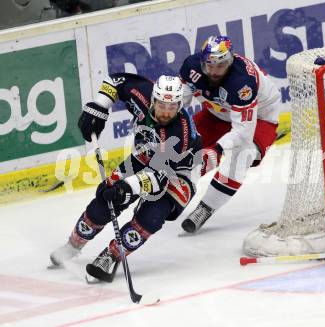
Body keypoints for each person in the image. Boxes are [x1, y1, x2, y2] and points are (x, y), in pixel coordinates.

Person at [50, 73, 202, 281]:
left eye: (172, 107)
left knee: (150, 217)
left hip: (179, 174)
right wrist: (100, 106)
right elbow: (115, 81)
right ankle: (73, 245)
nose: (166, 113)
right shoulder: (142, 94)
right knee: (103, 203)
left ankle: (111, 256)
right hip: (142, 155)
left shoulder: (180, 135)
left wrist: (126, 188)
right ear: (153, 100)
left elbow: (158, 178)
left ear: (179, 105)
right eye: (162, 106)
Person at [179, 35, 282, 233]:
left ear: (230, 61)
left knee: (242, 156)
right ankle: (178, 187)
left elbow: (242, 133)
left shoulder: (242, 82)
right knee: (183, 144)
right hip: (216, 113)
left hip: (260, 118)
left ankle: (206, 207)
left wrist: (218, 148)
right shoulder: (191, 66)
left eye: (220, 65)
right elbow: (179, 103)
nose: (213, 71)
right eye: (209, 65)